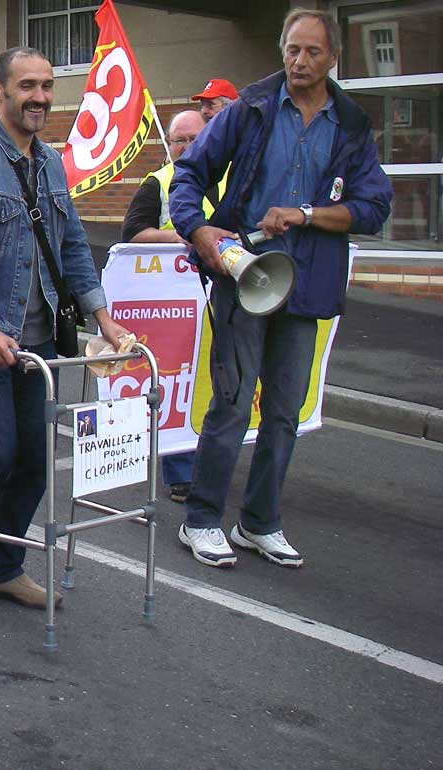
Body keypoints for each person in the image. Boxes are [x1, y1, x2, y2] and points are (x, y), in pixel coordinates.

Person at [169, 9, 392, 568]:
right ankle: (200, 520)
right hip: (245, 276)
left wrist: (307, 213)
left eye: (311, 52)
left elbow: (374, 207)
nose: (298, 61)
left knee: (286, 411)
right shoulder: (250, 107)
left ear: (332, 58)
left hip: (306, 284)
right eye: (291, 49)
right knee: (233, 401)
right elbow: (190, 174)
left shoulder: (352, 123)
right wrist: (198, 232)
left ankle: (259, 522)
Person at [0, 47, 131, 612]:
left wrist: (105, 318)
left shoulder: (50, 162)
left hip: (40, 336)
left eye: (47, 85)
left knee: (35, 460)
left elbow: (70, 246)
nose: (40, 96)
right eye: (28, 86)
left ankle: (2, 566)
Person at [121, 109, 213, 504]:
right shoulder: (157, 182)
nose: (186, 147)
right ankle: (181, 473)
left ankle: (212, 459)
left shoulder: (229, 178)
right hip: (174, 302)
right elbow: (133, 233)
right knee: (180, 380)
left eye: (194, 139)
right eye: (178, 140)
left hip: (222, 296)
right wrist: (178, 236)